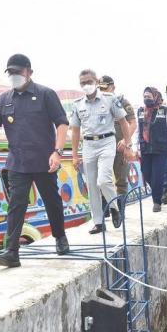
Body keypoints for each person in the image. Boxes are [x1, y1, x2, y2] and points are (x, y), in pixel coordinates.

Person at [0, 54, 70, 267]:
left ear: (29, 72)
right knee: (16, 205)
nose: (14, 76)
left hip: (44, 160)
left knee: (51, 201)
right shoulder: (4, 99)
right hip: (17, 161)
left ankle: (60, 237)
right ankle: (11, 251)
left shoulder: (46, 94)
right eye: (11, 73)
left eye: (18, 72)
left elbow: (62, 124)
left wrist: (57, 152)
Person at [70, 69, 131, 234]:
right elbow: (75, 131)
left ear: (96, 81)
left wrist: (128, 144)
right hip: (88, 144)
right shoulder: (78, 104)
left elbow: (124, 122)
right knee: (92, 185)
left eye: (89, 81)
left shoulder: (110, 99)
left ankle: (114, 207)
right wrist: (75, 155)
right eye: (83, 83)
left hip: (107, 141)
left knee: (103, 180)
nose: (86, 85)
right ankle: (98, 222)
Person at [97, 75, 137, 205]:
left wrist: (126, 142)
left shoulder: (123, 103)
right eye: (100, 89)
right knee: (102, 180)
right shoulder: (97, 104)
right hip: (103, 147)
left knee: (121, 181)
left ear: (113, 87)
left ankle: (120, 211)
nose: (102, 91)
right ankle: (106, 212)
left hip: (120, 147)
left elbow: (132, 124)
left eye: (105, 88)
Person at [137, 87, 167, 212]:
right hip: (145, 149)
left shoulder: (164, 111)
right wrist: (135, 146)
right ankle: (157, 190)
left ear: (155, 97)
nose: (146, 99)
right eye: (144, 96)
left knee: (158, 175)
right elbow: (137, 130)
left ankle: (157, 201)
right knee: (147, 172)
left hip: (161, 149)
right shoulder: (140, 111)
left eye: (149, 96)